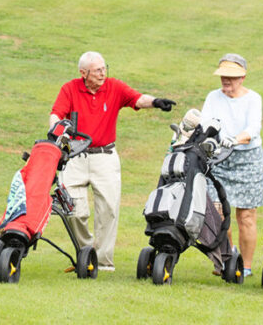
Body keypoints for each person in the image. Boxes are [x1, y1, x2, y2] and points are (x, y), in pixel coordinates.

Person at [49, 51, 175, 271]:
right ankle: (87, 254)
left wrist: (156, 102)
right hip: (75, 157)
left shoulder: (114, 86)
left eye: (104, 68)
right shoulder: (70, 89)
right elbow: (56, 114)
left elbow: (137, 98)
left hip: (105, 157)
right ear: (83, 73)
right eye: (97, 70)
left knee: (108, 209)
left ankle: (103, 261)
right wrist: (57, 132)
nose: (102, 73)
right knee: (73, 209)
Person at [199, 53, 263, 278]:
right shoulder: (213, 97)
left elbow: (253, 128)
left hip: (247, 159)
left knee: (245, 216)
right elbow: (205, 123)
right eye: (223, 76)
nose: (226, 81)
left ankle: (245, 267)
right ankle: (227, 259)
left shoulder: (253, 98)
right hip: (219, 159)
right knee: (217, 214)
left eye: (232, 77)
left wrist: (235, 139)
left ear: (243, 77)